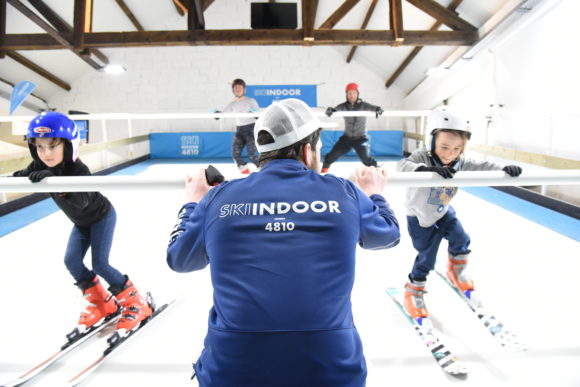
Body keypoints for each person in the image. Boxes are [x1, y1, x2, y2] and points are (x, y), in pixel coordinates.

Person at [167, 98, 401, 386]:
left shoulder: (220, 198)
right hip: (330, 369)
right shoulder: (344, 193)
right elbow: (388, 235)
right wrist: (374, 193)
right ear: (307, 150)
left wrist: (193, 202)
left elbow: (179, 258)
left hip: (233, 370)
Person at [12, 111, 152, 341]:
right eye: (39, 147)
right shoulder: (38, 164)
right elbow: (21, 176)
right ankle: (102, 304)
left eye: (52, 146)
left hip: (101, 218)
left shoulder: (78, 170)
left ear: (68, 145)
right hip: (81, 223)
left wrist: (56, 183)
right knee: (71, 261)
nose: (45, 154)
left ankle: (137, 303)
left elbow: (82, 201)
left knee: (100, 264)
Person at [397, 106, 522, 330]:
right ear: (432, 140)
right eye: (444, 147)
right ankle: (413, 289)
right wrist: (425, 170)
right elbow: (402, 166)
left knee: (461, 239)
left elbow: (483, 166)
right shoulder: (422, 157)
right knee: (427, 257)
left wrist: (504, 168)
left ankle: (456, 270)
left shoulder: (459, 162)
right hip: (420, 219)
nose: (449, 154)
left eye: (456, 149)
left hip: (443, 212)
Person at [322, 82, 384, 173]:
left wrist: (378, 109)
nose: (352, 95)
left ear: (358, 94)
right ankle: (322, 173)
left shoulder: (364, 105)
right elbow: (335, 110)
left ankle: (379, 171)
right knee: (331, 157)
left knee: (366, 159)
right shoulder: (343, 106)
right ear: (346, 94)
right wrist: (331, 110)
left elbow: (373, 108)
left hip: (361, 138)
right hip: (346, 138)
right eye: (349, 93)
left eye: (354, 93)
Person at [218, 78, 260, 174]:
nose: (238, 89)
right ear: (233, 90)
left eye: (240, 87)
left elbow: (258, 114)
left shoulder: (250, 101)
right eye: (236, 88)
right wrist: (217, 114)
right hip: (239, 130)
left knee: (252, 155)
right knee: (235, 154)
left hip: (251, 129)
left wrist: (254, 114)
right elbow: (223, 114)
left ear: (244, 89)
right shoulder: (232, 103)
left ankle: (264, 170)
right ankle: (246, 175)